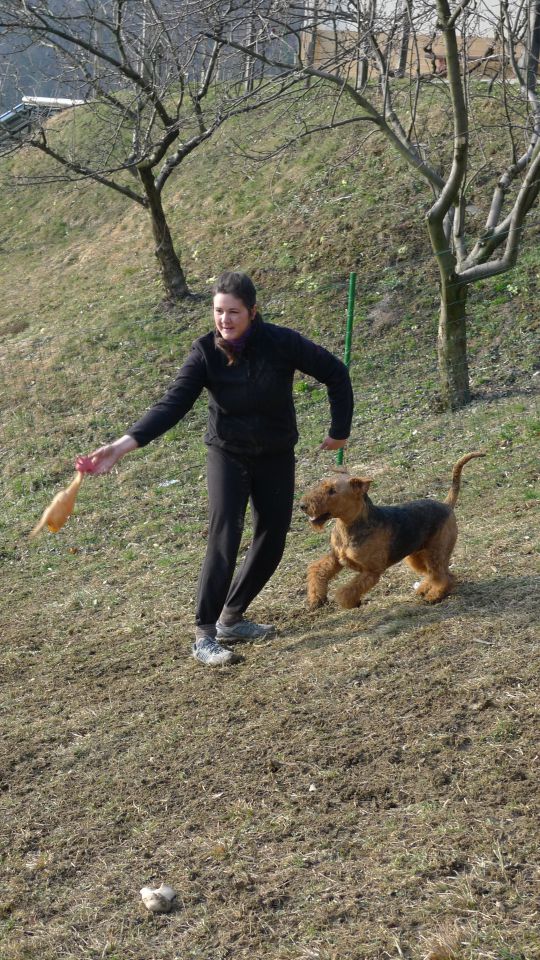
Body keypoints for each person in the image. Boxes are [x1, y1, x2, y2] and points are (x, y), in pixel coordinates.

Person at [82, 271, 353, 666]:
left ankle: (232, 617)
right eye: (218, 311)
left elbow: (335, 372)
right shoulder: (205, 353)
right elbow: (172, 405)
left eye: (233, 312)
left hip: (275, 453)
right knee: (225, 534)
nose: (224, 320)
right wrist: (123, 446)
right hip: (227, 452)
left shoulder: (281, 342)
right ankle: (205, 634)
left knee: (273, 537)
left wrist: (339, 430)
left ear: (253, 312)